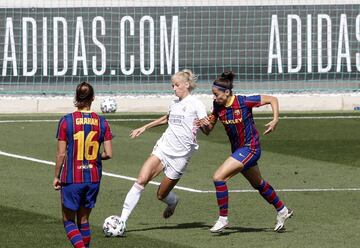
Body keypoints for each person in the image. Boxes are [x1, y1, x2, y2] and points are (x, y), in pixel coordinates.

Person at [117, 69, 209, 236]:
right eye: (172, 85)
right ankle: (122, 221)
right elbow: (167, 118)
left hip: (181, 156)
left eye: (177, 85)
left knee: (161, 194)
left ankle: (173, 202)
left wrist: (204, 124)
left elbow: (207, 129)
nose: (174, 88)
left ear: (186, 85)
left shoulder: (197, 104)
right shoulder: (174, 102)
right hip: (163, 149)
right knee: (141, 180)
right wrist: (144, 127)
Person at [201, 71, 293, 233]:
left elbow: (272, 99)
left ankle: (223, 219)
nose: (214, 98)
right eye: (213, 95)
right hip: (239, 151)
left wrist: (275, 119)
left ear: (227, 92)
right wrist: (202, 125)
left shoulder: (244, 101)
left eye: (216, 94)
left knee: (218, 177)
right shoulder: (217, 106)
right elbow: (208, 130)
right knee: (258, 184)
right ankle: (282, 210)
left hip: (251, 149)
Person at [53, 82, 113, 248]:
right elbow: (108, 153)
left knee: (68, 221)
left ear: (76, 97)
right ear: (93, 98)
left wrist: (56, 176)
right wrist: (93, 158)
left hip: (72, 178)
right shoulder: (102, 122)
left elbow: (61, 154)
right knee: (84, 219)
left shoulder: (66, 121)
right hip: (93, 178)